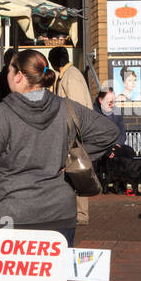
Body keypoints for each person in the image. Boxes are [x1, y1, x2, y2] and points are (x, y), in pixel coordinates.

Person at [0, 48, 117, 248]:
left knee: (8, 279)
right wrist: (72, 156)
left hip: (7, 216)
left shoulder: (3, 115)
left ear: (19, 76)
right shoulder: (67, 108)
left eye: (9, 71)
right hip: (59, 216)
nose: (7, 76)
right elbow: (108, 131)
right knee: (54, 278)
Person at [49, 43, 94, 224]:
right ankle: (74, 212)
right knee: (73, 172)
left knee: (78, 172)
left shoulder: (70, 77)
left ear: (54, 62)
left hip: (76, 133)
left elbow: (76, 107)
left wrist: (73, 135)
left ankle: (81, 214)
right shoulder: (70, 74)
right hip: (74, 132)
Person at [95, 87, 140, 191]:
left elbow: (122, 132)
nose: (112, 104)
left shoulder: (116, 111)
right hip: (100, 146)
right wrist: (109, 148)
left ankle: (124, 182)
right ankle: (105, 184)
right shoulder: (94, 112)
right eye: (110, 102)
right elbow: (97, 135)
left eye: (114, 101)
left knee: (128, 152)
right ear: (101, 100)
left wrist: (116, 145)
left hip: (116, 145)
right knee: (108, 156)